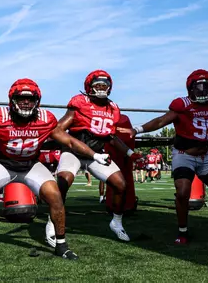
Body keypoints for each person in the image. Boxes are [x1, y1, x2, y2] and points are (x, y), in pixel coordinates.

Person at [0, 78, 111, 260]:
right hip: (4, 164)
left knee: (55, 196)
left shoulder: (45, 119)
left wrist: (93, 155)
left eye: (30, 99)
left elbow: (69, 140)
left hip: (30, 165)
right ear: (12, 100)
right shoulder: (0, 117)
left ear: (37, 101)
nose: (26, 102)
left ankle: (61, 245)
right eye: (21, 98)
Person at [118, 69, 208, 244]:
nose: (204, 91)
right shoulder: (183, 105)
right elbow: (160, 121)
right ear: (190, 88)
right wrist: (137, 130)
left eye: (207, 86)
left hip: (205, 155)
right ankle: (183, 230)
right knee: (182, 193)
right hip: (184, 154)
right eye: (200, 87)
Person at [48, 69, 142, 246]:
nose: (101, 88)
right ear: (89, 87)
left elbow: (111, 137)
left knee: (121, 184)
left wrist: (130, 153)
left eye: (104, 85)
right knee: (63, 182)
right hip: (74, 152)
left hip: (96, 156)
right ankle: (52, 222)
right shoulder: (80, 103)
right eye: (97, 85)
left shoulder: (112, 108)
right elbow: (58, 129)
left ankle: (116, 222)